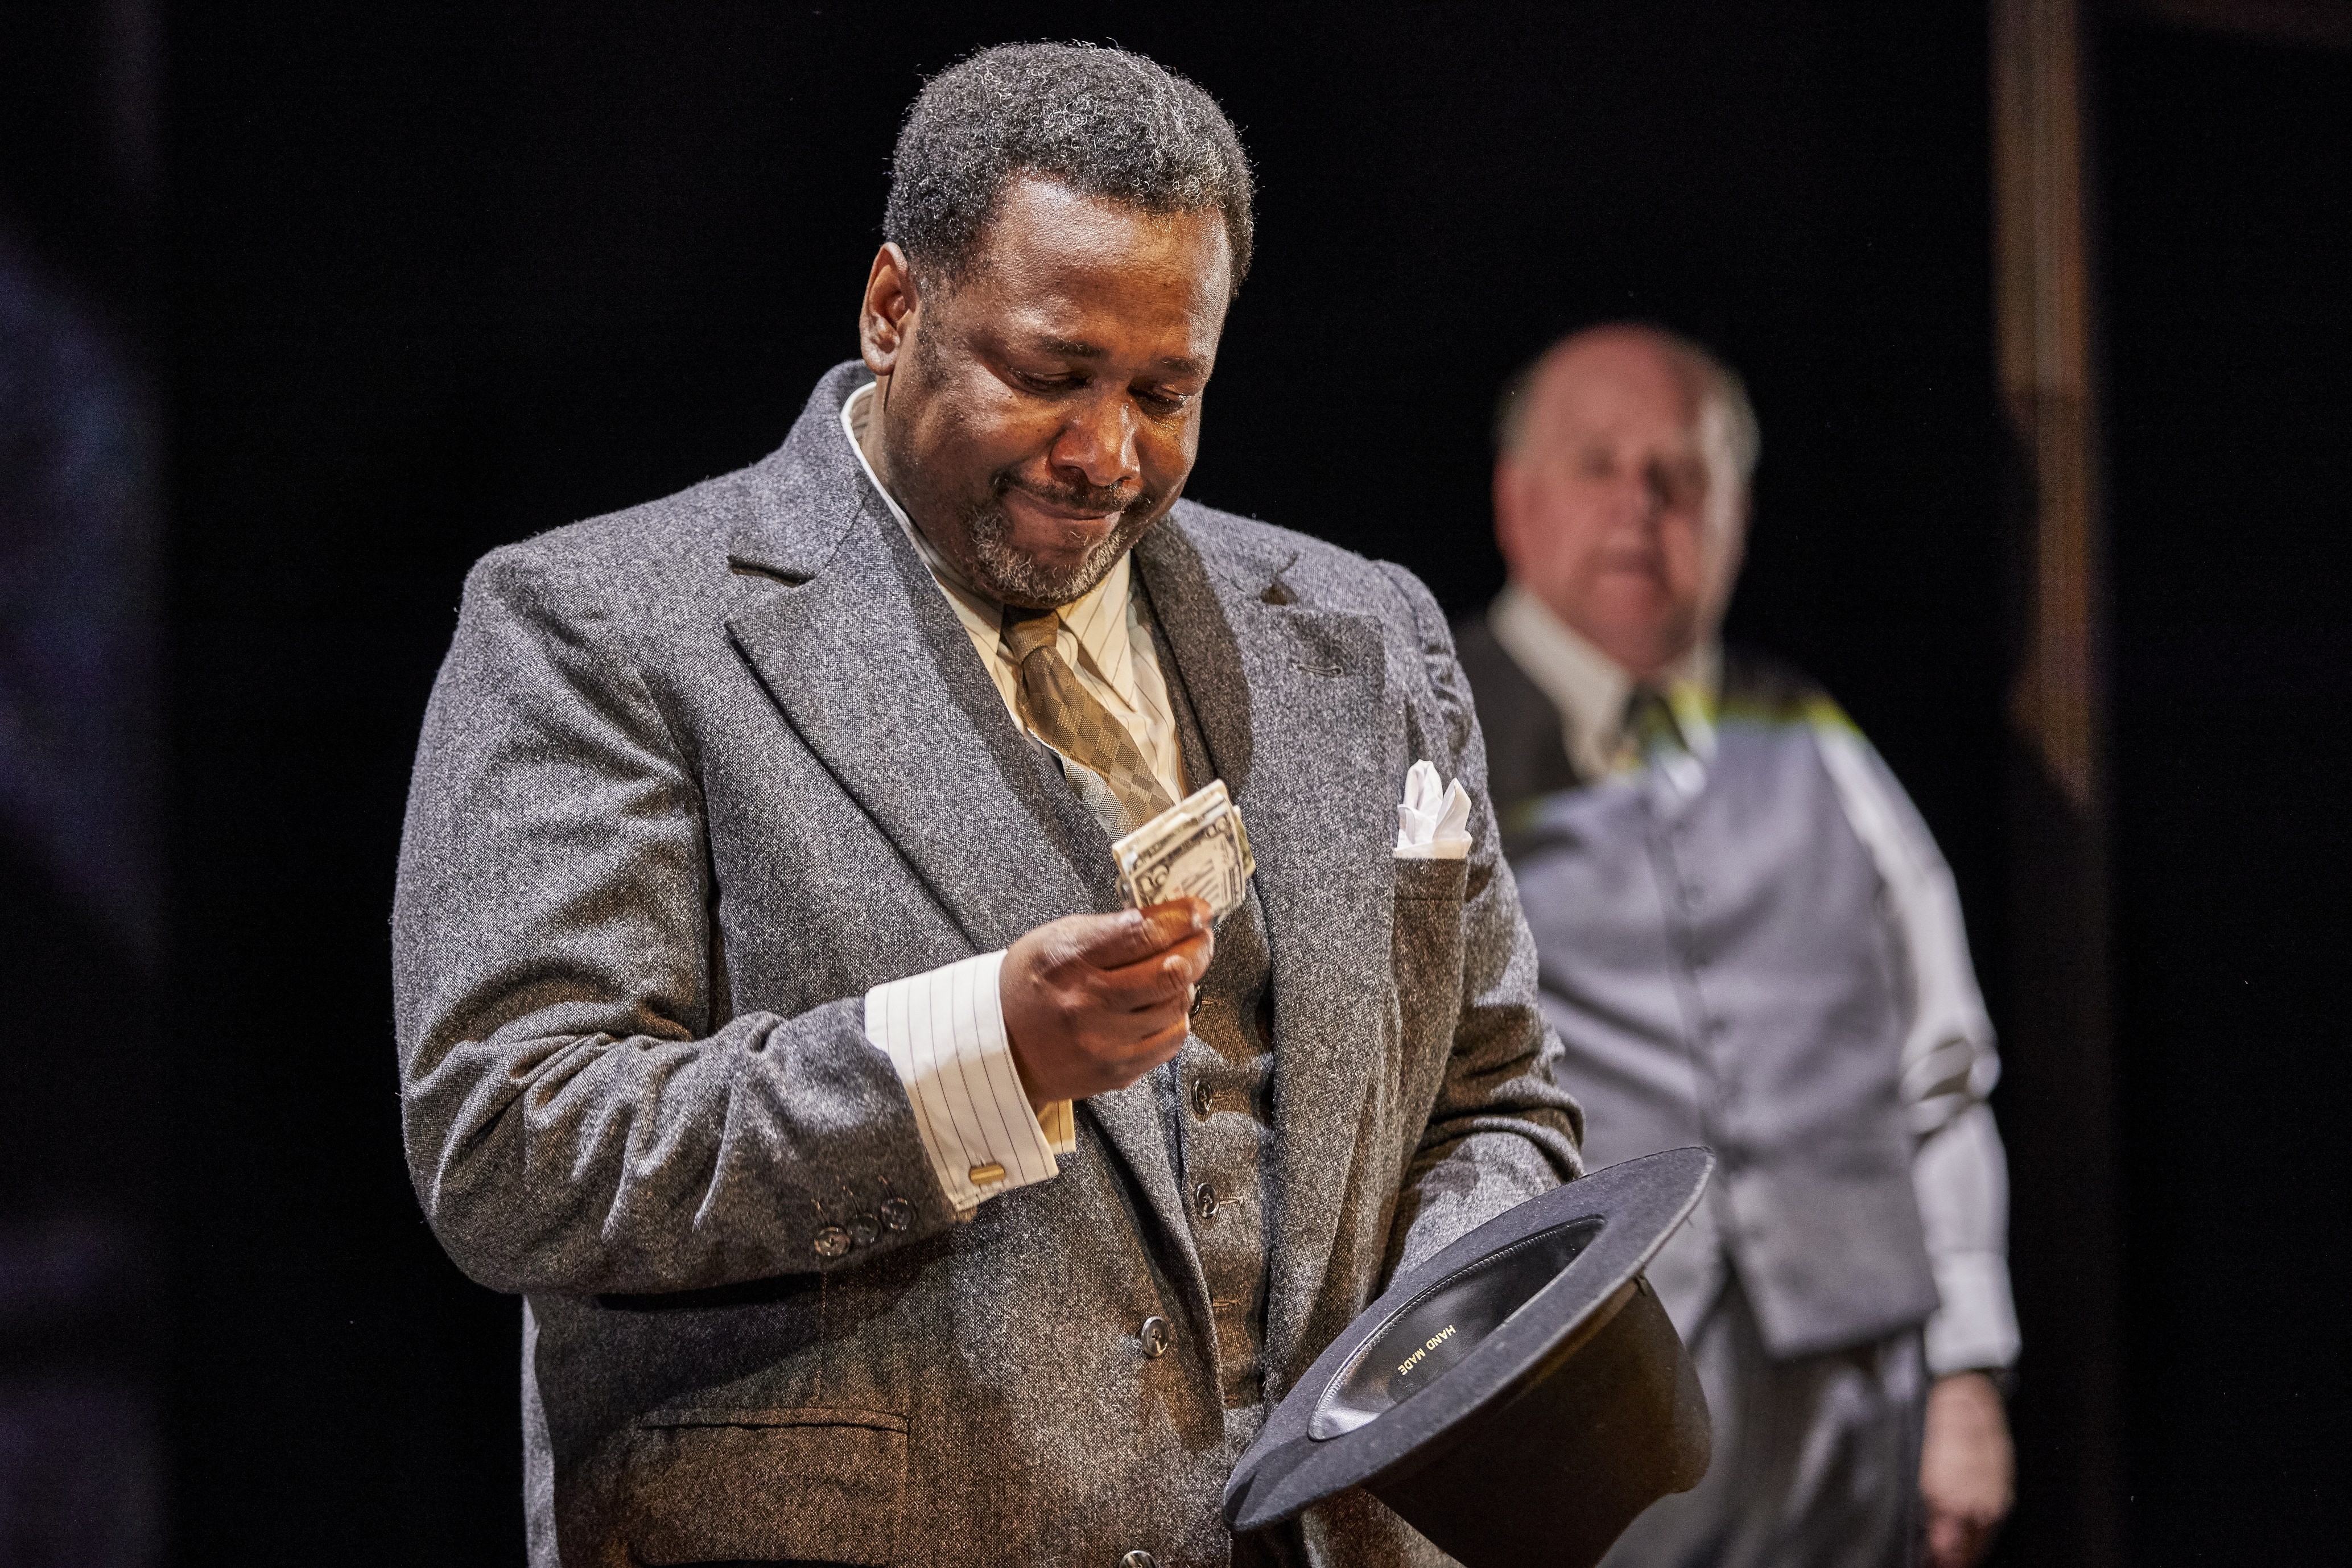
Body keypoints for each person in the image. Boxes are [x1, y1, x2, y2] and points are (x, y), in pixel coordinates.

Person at [393, 43, 1582, 1568]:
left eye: (1166, 391)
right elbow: (515, 1147)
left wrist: (1438, 1334)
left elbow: (1496, 1093)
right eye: (1045, 373)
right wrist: (982, 1056)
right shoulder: (598, 626)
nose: (1105, 454)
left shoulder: (1361, 631)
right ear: (893, 310)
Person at [1453, 325, 2020, 1568]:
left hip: (1858, 1402)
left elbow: (1944, 1072)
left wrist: (1969, 1374)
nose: (1640, 506)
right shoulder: (1433, 737)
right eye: (1599, 463)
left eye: (1681, 473)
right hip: (1596, 1407)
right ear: (1517, 498)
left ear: (1738, 512)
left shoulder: (1814, 738)